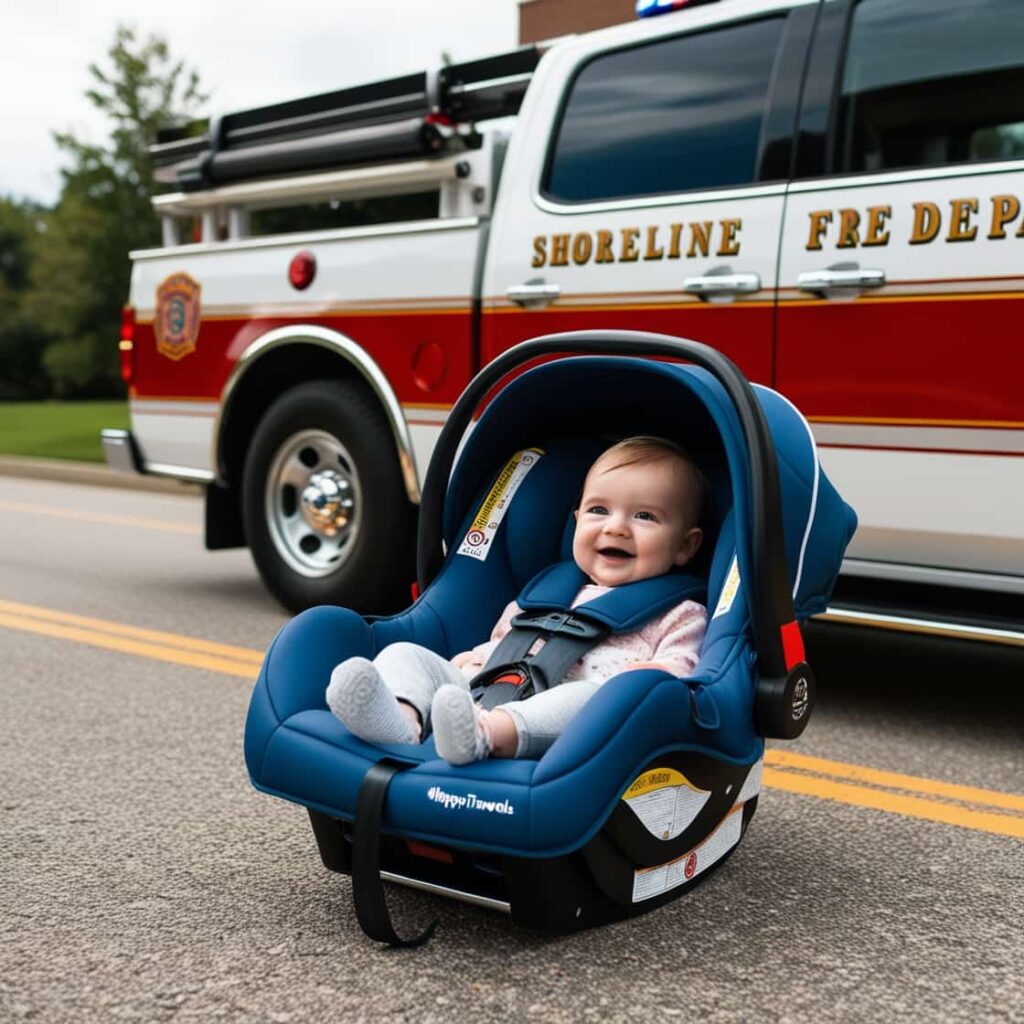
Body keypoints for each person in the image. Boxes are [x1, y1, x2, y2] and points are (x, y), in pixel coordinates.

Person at [326, 436, 708, 764]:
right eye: (598, 510)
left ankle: (486, 736)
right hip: (482, 692)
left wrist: (633, 683)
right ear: (576, 520)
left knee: (586, 699)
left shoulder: (679, 613)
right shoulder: (542, 594)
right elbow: (501, 643)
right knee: (406, 655)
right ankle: (400, 721)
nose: (615, 527)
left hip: (576, 717)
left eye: (644, 516)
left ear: (685, 546)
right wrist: (473, 661)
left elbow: (680, 674)